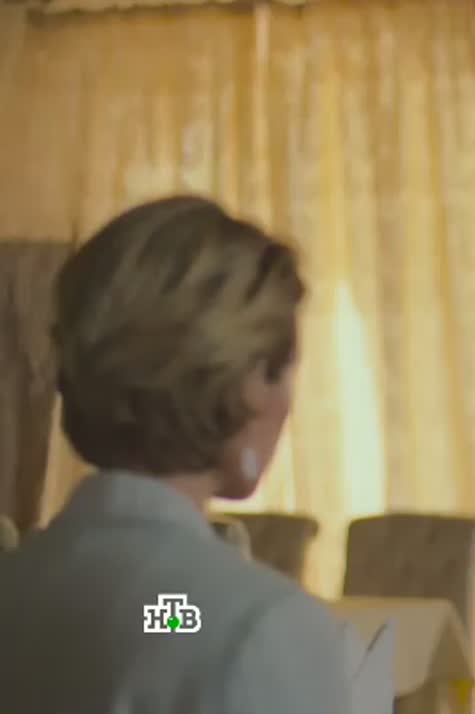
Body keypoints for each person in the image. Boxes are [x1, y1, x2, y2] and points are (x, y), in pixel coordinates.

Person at [0, 197, 355, 714]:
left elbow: (163, 617)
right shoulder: (265, 630)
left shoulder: (20, 586)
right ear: (246, 384)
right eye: (283, 373)